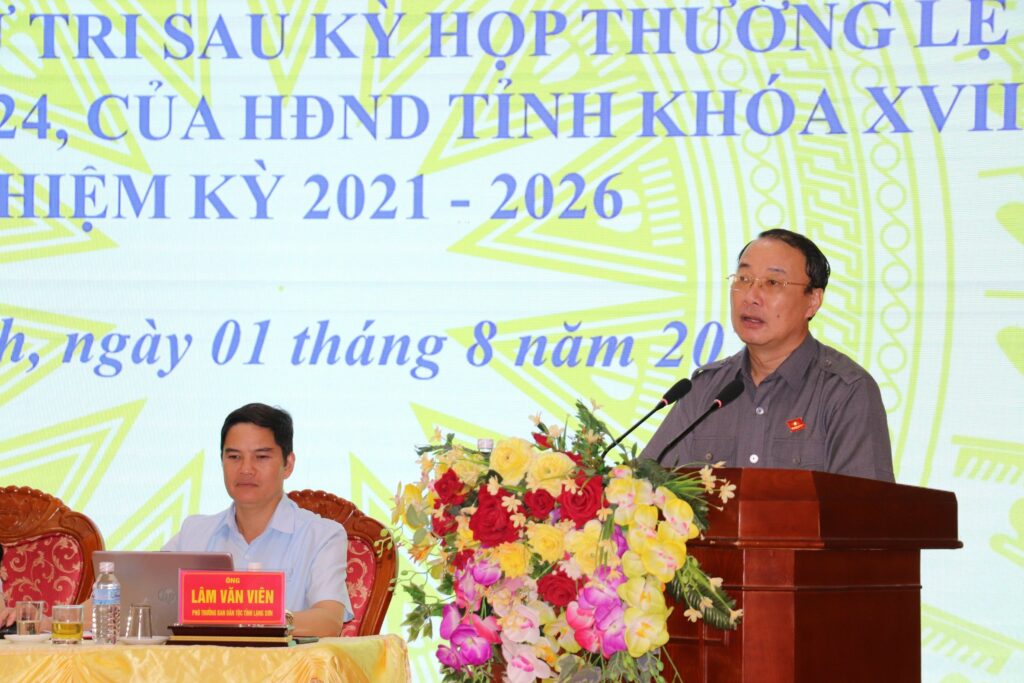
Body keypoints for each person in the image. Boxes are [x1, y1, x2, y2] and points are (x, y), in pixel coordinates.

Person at [642, 229, 895, 482]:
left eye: (773, 283)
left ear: (813, 301)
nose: (751, 296)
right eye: (743, 278)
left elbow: (863, 503)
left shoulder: (845, 391)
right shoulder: (704, 391)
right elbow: (642, 488)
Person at [163, 403, 353, 636]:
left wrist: (254, 616)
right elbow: (149, 601)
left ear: (288, 465)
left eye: (261, 457)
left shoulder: (322, 536)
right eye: (234, 457)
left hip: (283, 661)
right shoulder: (194, 532)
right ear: (221, 462)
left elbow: (328, 621)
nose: (246, 469)